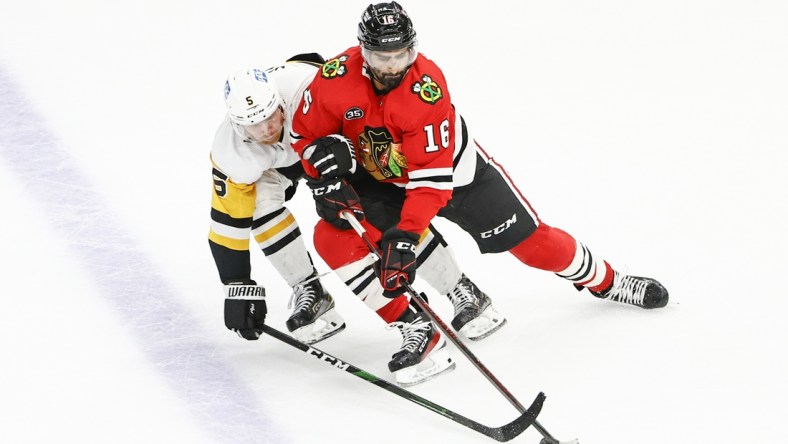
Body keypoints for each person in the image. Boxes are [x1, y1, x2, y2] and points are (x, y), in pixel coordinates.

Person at [291, 2, 669, 386]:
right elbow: (303, 135)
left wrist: (404, 237)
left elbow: (430, 184)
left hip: (453, 176)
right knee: (333, 236)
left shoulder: (426, 91)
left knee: (532, 244)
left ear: (413, 48)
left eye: (401, 55)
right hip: (381, 178)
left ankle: (608, 281)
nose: (392, 66)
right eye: (379, 56)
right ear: (361, 51)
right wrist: (323, 177)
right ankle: (418, 326)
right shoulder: (334, 77)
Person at [209, 54, 504, 352]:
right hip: (284, 162)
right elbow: (227, 221)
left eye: (270, 117)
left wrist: (345, 166)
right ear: (235, 124)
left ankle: (459, 287)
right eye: (252, 126)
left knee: (379, 209)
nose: (266, 131)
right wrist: (237, 286)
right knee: (258, 204)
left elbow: (361, 114)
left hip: (329, 140)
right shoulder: (230, 152)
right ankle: (308, 288)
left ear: (280, 102)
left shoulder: (306, 91)